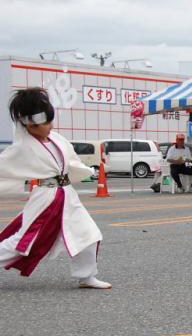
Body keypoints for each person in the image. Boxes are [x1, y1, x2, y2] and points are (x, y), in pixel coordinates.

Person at [0, 87, 110, 289]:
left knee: (88, 233)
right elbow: (3, 169)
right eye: (46, 122)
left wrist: (87, 171)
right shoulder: (21, 147)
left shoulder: (56, 139)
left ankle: (86, 276)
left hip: (67, 195)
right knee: (24, 242)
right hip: (46, 197)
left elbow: (70, 162)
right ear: (30, 125)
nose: (51, 126)